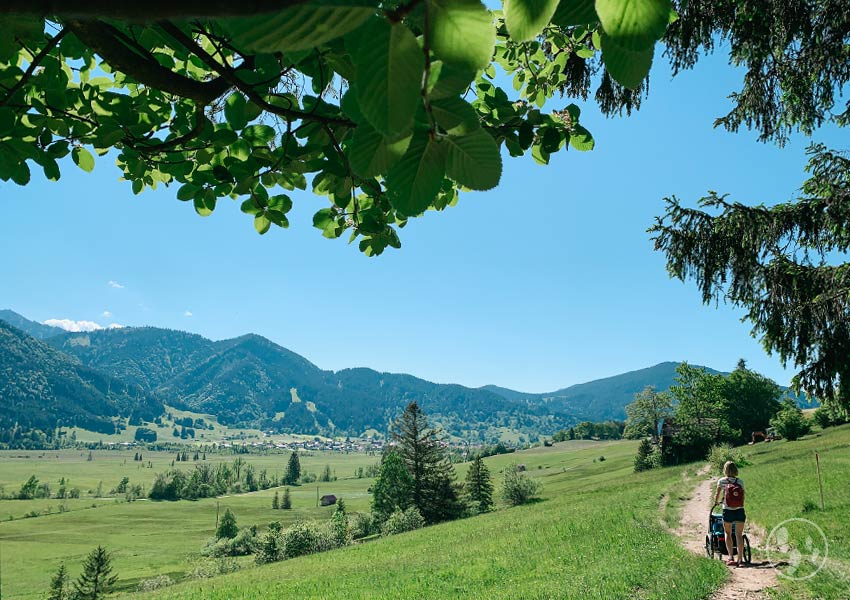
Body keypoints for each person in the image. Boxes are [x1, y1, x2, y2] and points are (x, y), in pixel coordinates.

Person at [714, 460, 746, 567]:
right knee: (739, 535)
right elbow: (743, 497)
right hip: (739, 510)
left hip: (727, 510)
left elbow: (717, 495)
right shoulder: (740, 482)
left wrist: (716, 502)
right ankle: (740, 560)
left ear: (725, 470)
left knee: (727, 533)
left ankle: (731, 557)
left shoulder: (722, 481)